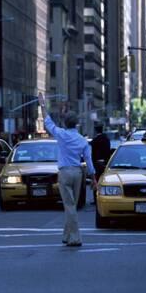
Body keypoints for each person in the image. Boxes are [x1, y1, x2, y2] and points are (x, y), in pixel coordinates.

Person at [38, 92, 96, 247]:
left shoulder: (61, 134)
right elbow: (89, 160)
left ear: (65, 123)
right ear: (76, 124)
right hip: (78, 173)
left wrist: (42, 104)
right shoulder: (82, 140)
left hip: (65, 173)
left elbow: (48, 122)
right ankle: (66, 235)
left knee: (69, 206)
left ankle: (75, 238)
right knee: (72, 206)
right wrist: (94, 179)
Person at [90, 125, 111, 205]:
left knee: (96, 181)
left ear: (96, 131)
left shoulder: (95, 140)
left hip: (97, 163)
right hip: (105, 163)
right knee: (103, 181)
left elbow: (91, 150)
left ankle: (96, 199)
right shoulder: (106, 139)